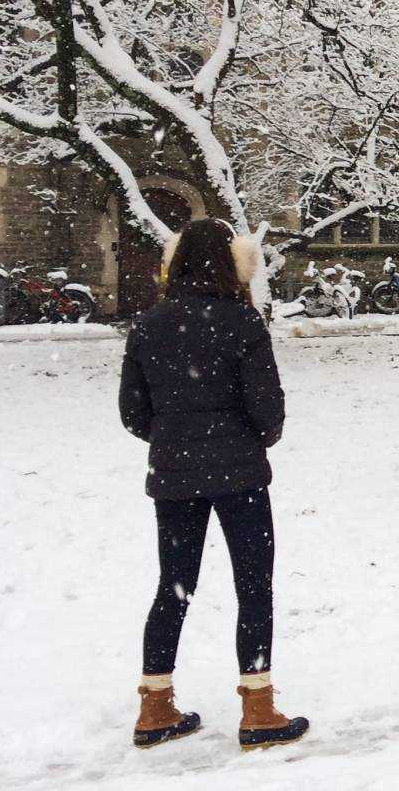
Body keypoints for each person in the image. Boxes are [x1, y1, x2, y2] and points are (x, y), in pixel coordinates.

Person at [118, 219, 309, 751]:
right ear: (235, 262)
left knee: (174, 586)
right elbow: (267, 407)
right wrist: (252, 438)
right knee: (254, 585)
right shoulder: (242, 322)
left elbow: (132, 412)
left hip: (174, 474)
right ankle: (258, 706)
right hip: (240, 473)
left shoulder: (149, 324)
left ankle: (155, 703)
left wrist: (174, 436)